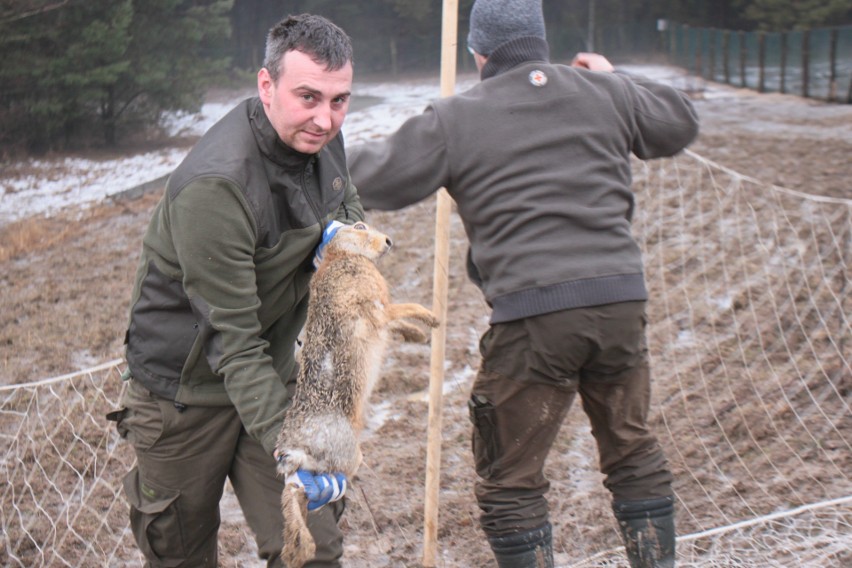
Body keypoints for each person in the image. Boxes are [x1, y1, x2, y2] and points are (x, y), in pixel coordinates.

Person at [347, 0, 699, 566]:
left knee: (510, 482)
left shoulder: (455, 118)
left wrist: (304, 151)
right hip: (620, 304)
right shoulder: (606, 93)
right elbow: (679, 122)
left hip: (536, 317)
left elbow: (377, 175)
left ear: (478, 52)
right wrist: (616, 78)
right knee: (632, 453)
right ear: (540, 39)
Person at [107, 13, 364, 568]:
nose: (325, 118)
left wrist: (349, 241)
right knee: (180, 553)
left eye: (340, 100)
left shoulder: (322, 140)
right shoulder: (217, 186)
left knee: (312, 549)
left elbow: (347, 205)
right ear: (266, 86)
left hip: (267, 374)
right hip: (183, 396)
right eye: (308, 97)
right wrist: (291, 450)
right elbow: (233, 341)